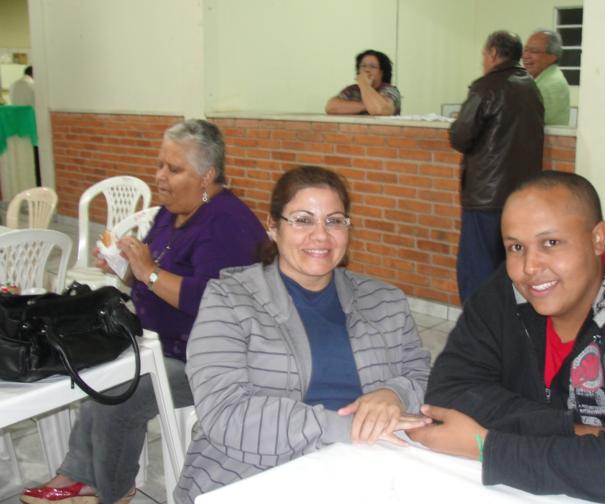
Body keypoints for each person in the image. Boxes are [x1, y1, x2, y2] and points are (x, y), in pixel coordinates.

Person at [21, 119, 267, 504]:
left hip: (210, 359)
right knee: (98, 372)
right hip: (159, 342)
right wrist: (125, 266)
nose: (160, 177)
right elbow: (151, 275)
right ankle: (78, 476)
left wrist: (147, 271)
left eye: (174, 169)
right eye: (159, 165)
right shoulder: (173, 211)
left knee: (121, 392)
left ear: (207, 175)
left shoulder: (227, 223)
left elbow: (209, 300)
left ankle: (112, 491)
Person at [408, 171, 605, 502]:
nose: (530, 267)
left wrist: (487, 446)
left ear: (597, 239)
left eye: (551, 243)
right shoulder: (503, 293)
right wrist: (569, 429)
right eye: (516, 247)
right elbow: (447, 394)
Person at [174, 165, 430, 503]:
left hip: (369, 468)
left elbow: (423, 375)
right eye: (303, 220)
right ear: (273, 227)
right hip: (255, 475)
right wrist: (344, 427)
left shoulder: (385, 300)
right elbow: (226, 413)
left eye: (334, 221)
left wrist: (395, 393)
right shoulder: (228, 300)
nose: (321, 236)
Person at [450, 30, 544, 303]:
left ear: (492, 53)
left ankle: (477, 324)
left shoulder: (486, 87)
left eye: (484, 54)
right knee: (512, 265)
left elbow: (460, 137)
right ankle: (507, 322)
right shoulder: (531, 87)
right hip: (522, 196)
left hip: (486, 196)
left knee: (477, 269)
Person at [325, 49, 401, 116]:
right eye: (363, 66)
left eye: (373, 66)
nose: (367, 70)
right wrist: (367, 106)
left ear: (382, 72)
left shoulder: (390, 90)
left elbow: (380, 110)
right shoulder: (352, 90)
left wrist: (364, 84)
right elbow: (330, 107)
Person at [523, 30, 571, 126]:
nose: (525, 56)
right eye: (525, 50)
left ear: (552, 57)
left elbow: (526, 125)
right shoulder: (548, 77)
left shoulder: (550, 85)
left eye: (534, 51)